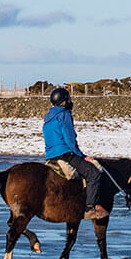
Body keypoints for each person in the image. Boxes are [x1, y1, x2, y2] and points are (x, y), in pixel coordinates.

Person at [43, 86, 109, 221]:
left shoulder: (48, 118)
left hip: (50, 155)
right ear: (63, 101)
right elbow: (69, 138)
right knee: (94, 174)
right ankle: (89, 209)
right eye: (68, 99)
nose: (70, 101)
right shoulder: (64, 115)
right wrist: (81, 155)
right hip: (65, 153)